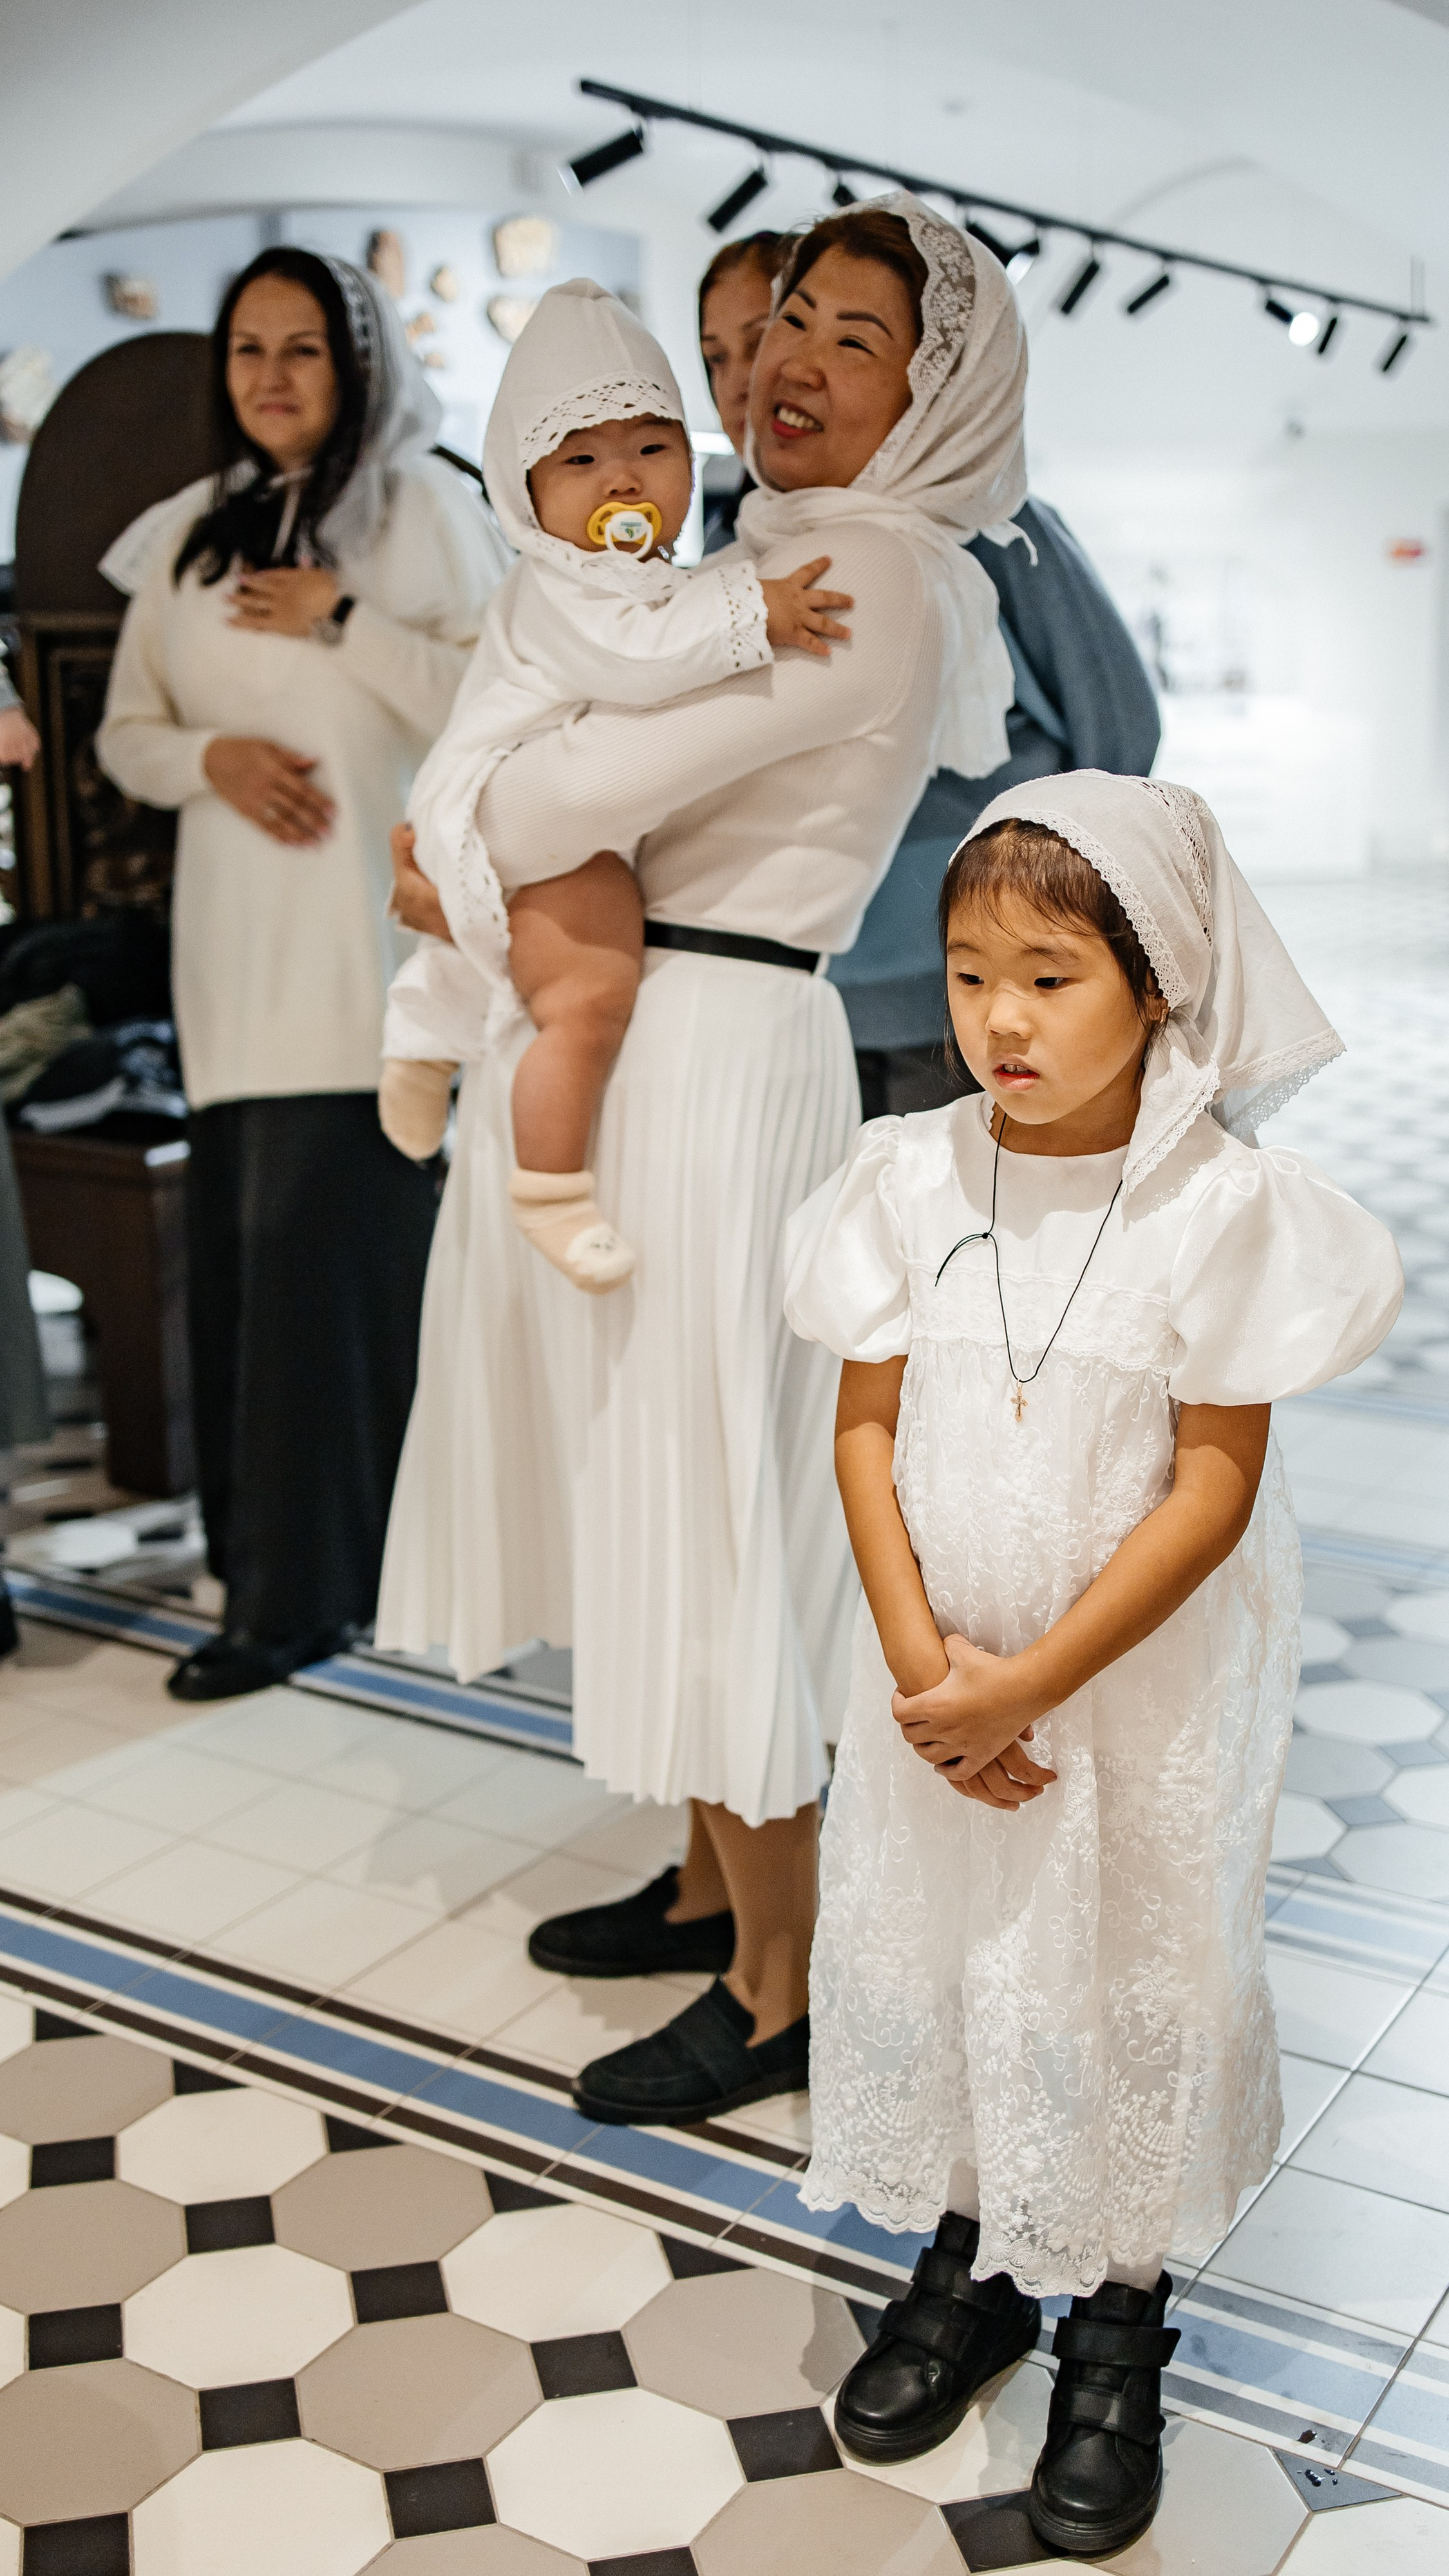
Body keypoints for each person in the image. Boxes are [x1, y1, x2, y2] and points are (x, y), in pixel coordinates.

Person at [378, 196, 1027, 2124]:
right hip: (647, 1020)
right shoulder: (752, 550)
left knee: (715, 1491)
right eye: (780, 328)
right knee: (647, 1467)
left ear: (936, 390)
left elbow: (577, 789)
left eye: (850, 340)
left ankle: (780, 1983)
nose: (785, 369)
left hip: (727, 1039)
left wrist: (460, 826)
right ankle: (697, 1881)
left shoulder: (877, 575)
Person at [783, 772, 1403, 2555]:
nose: (999, 1017)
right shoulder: (902, 1173)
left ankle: (1119, 2309)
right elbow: (859, 1430)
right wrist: (929, 1673)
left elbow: (1213, 1487)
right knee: (956, 1940)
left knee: (1129, 1959)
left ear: (1159, 984)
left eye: (1050, 974)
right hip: (931, 1677)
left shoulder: (1225, 1207)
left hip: (1131, 1685)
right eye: (971, 970)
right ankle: (971, 2255)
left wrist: (1029, 1680)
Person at [97, 246, 507, 1702]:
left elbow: (492, 703)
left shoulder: (427, 509)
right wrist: (210, 755)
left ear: (361, 363)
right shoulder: (193, 533)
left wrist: (342, 617)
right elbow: (123, 732)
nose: (270, 377)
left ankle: (313, 1595)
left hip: (370, 974)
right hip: (230, 981)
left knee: (337, 1305)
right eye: (248, 350)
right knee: (250, 1301)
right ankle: (269, 1571)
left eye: (303, 350)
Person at [379, 278, 851, 1294]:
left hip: (537, 811)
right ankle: (550, 1191)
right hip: (499, 800)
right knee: (588, 998)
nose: (620, 481)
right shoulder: (565, 584)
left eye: (651, 449)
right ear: (525, 493)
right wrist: (753, 612)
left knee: (533, 969)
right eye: (581, 460)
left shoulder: (629, 577)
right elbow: (639, 660)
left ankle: (420, 1048)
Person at [694, 237, 1161, 1121]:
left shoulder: (987, 524)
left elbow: (1117, 731)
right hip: (796, 990)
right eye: (713, 356)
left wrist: (1041, 919)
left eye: (760, 337)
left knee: (978, 1242)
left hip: (970, 988)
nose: (743, 378)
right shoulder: (732, 555)